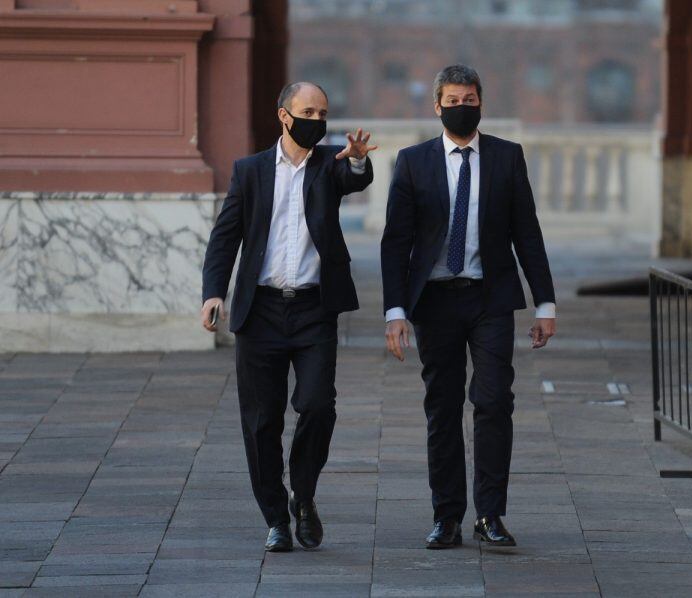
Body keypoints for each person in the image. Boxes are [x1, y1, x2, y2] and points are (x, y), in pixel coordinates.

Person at [380, 65, 555, 549]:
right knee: (442, 407)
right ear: (437, 106)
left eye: (470, 98)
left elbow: (528, 233)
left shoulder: (506, 157)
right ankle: (447, 516)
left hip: (490, 298)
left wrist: (545, 303)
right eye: (453, 100)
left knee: (495, 401)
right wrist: (395, 312)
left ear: (482, 102)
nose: (462, 106)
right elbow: (396, 242)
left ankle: (490, 515)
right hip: (434, 302)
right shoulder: (413, 162)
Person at [201, 82, 376, 552]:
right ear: (284, 115)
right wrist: (213, 292)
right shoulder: (251, 171)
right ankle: (276, 517)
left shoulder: (330, 164)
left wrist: (357, 158)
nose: (315, 120)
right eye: (307, 112)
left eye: (322, 112)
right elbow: (225, 237)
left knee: (318, 405)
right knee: (261, 421)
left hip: (314, 309)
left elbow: (356, 178)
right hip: (259, 311)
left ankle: (304, 494)